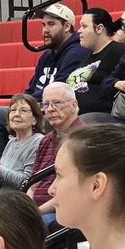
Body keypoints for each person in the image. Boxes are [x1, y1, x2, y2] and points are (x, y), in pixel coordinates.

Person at [0, 4, 89, 156]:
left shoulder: (76, 52)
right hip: (37, 108)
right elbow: (31, 88)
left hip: (56, 110)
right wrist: (21, 104)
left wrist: (26, 105)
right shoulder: (47, 55)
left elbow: (60, 90)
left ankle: (2, 170)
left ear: (67, 26)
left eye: (51, 24)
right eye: (43, 25)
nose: (45, 30)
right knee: (1, 114)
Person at [28, 83, 85, 223]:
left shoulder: (83, 139)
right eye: (46, 104)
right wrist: (28, 208)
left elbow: (74, 190)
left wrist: (37, 212)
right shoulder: (45, 140)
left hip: (61, 211)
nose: (50, 109)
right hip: (37, 210)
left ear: (73, 105)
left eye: (57, 103)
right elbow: (33, 183)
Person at [0, 93, 47, 194]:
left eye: (23, 110)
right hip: (5, 200)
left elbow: (27, 182)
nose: (16, 114)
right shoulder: (11, 143)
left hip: (19, 203)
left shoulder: (38, 142)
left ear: (34, 119)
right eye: (13, 110)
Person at [67, 8, 125, 120]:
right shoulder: (87, 57)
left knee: (76, 125)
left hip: (103, 114)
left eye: (84, 26)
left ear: (99, 28)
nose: (79, 31)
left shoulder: (119, 51)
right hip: (77, 113)